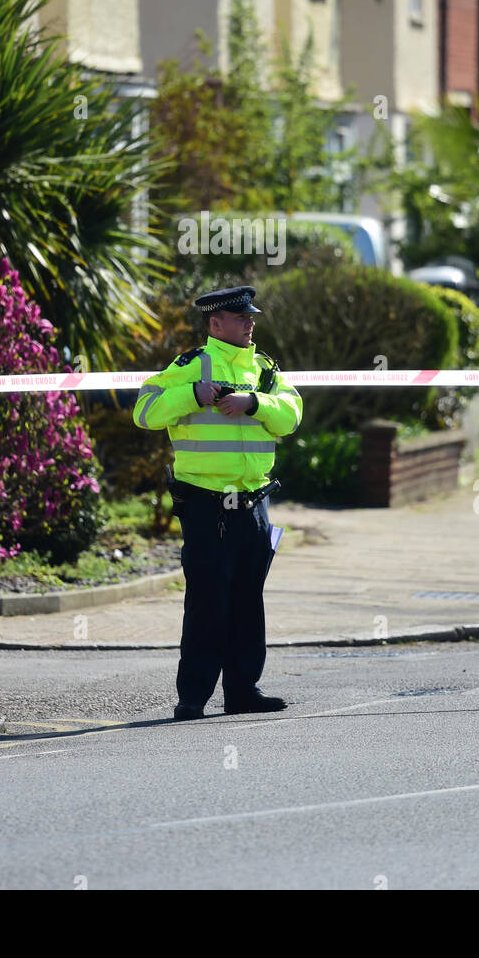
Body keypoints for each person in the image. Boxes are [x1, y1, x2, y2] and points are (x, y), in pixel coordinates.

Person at [133, 285, 302, 719]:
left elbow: (291, 415)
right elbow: (146, 411)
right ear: (215, 323)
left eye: (251, 317)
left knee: (248, 600)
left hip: (254, 503)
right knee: (208, 602)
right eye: (241, 317)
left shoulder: (263, 370)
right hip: (208, 506)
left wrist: (256, 403)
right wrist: (192, 396)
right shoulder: (191, 366)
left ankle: (243, 690)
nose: (250, 323)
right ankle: (193, 697)